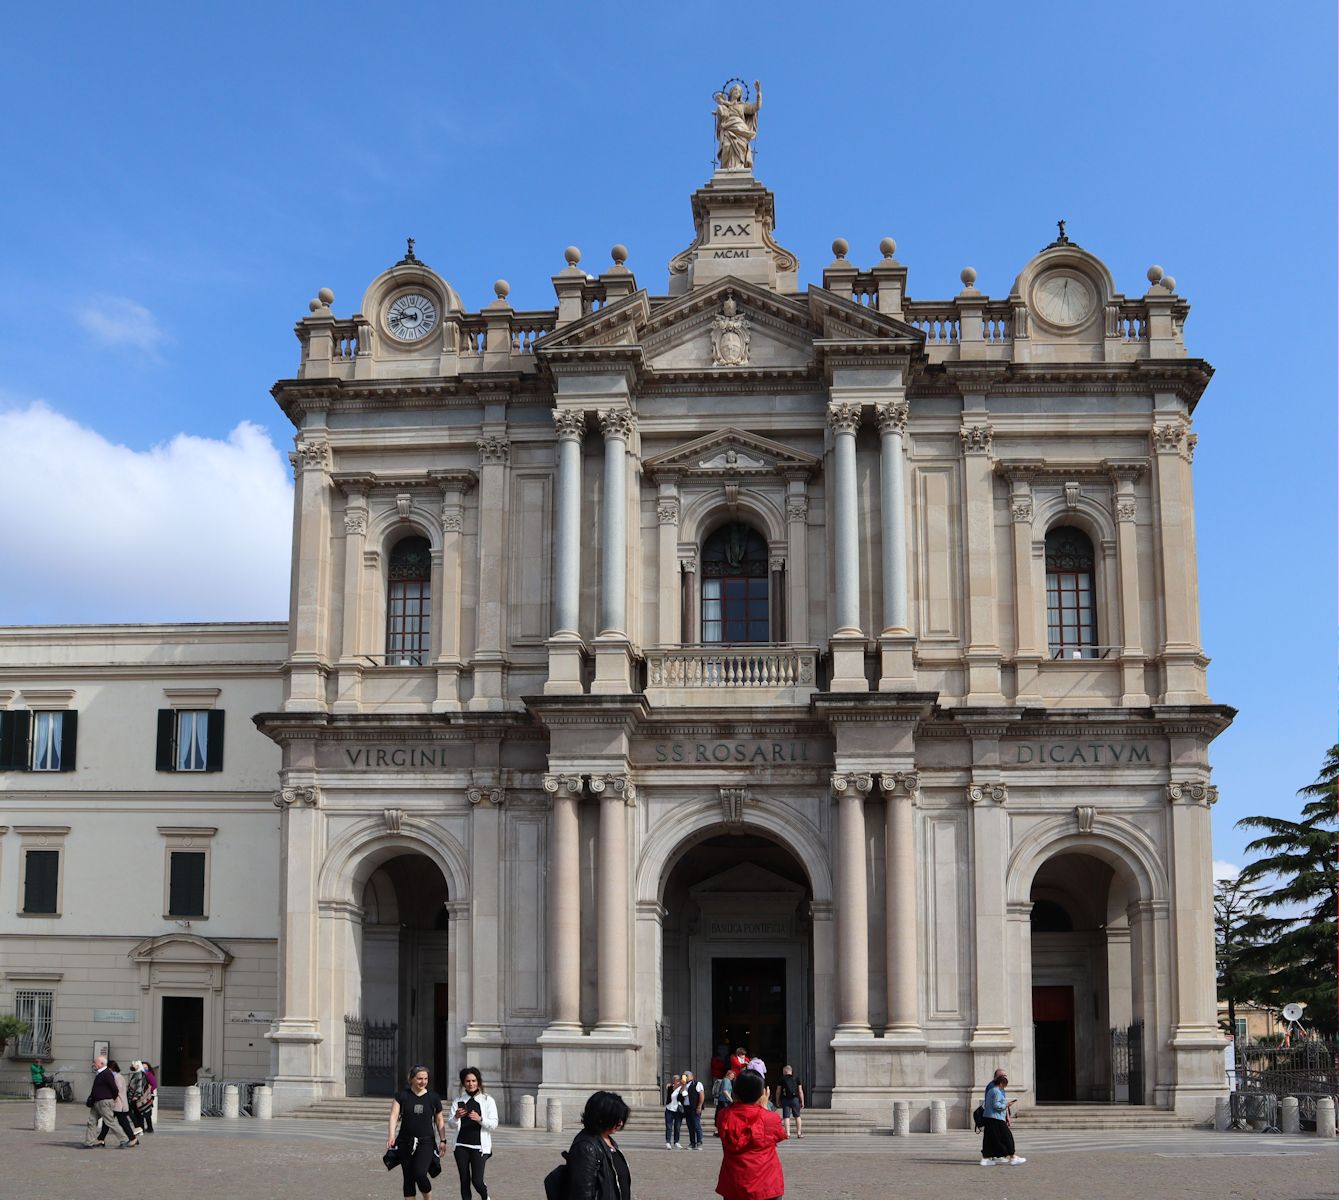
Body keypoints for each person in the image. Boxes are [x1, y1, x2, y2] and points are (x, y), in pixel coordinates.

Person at [716, 1069, 785, 1200]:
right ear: (762, 1093)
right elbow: (780, 1135)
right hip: (767, 1183)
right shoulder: (770, 1118)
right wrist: (765, 1108)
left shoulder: (723, 1116)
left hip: (734, 1183)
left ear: (735, 1092)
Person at [388, 1064, 448, 1198]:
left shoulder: (433, 1097)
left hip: (426, 1142)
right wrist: (391, 1135)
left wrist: (443, 1140)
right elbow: (393, 1116)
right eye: (419, 1078)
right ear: (411, 1079)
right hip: (404, 1142)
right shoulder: (402, 1096)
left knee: (420, 1174)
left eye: (425, 1079)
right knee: (408, 1177)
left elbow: (439, 1120)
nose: (423, 1082)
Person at [565, 1091, 632, 1200]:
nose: (620, 1123)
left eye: (621, 1119)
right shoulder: (586, 1147)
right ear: (601, 1117)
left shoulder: (609, 1141)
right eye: (615, 1118)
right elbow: (582, 1193)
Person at [447, 1066, 498, 1200]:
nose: (471, 1084)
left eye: (474, 1081)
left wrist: (480, 1119)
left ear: (478, 1082)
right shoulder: (458, 1101)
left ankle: (485, 1196)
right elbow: (451, 1124)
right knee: (464, 1180)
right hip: (461, 1146)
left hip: (479, 1147)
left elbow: (494, 1124)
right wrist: (456, 1116)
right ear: (463, 1083)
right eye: (468, 1081)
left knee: (477, 1181)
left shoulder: (488, 1100)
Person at [712, 80, 763, 171]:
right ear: (731, 92)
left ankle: (739, 167)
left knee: (741, 148)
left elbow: (756, 107)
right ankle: (726, 168)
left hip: (740, 128)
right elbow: (721, 114)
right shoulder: (725, 105)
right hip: (728, 128)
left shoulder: (743, 106)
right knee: (727, 146)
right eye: (735, 90)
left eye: (739, 91)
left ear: (740, 95)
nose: (737, 92)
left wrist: (758, 93)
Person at [980, 1072, 1024, 1166]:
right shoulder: (996, 1091)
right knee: (1007, 1136)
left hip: (988, 1117)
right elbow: (996, 1105)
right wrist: (1007, 1105)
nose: (1004, 1087)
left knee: (989, 1138)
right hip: (996, 1118)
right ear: (1001, 1084)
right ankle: (1012, 1156)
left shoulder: (991, 1090)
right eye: (1004, 1085)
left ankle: (985, 1158)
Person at [84, 1054, 128, 1148]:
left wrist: (111, 1098)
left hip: (104, 1102)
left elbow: (114, 1089)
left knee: (110, 1121)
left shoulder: (107, 1074)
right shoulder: (99, 1073)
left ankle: (124, 1139)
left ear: (101, 1063)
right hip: (96, 1101)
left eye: (95, 1062)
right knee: (91, 1121)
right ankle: (89, 1142)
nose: (93, 1064)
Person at [773, 1065, 805, 1138]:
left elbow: (778, 1091)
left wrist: (777, 1100)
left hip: (785, 1099)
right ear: (791, 1071)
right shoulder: (796, 1078)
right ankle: (799, 1133)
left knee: (786, 1117)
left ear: (785, 1071)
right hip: (795, 1099)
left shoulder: (782, 1079)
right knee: (797, 1116)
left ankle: (787, 1134)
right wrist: (802, 1101)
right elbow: (800, 1091)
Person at [681, 1070, 706, 1149]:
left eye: (686, 1076)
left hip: (695, 1107)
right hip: (687, 1107)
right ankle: (692, 1143)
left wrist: (699, 1106)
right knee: (690, 1126)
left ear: (691, 1076)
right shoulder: (685, 1085)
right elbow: (683, 1094)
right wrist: (683, 1085)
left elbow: (701, 1095)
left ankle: (699, 1142)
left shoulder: (697, 1084)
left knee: (696, 1125)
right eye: (684, 1076)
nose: (685, 1077)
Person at [131, 1061, 157, 1133]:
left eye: (146, 1067)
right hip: (141, 1096)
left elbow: (154, 1085)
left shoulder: (149, 1075)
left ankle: (149, 1128)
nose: (144, 1068)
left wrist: (147, 1092)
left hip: (148, 1096)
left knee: (147, 1111)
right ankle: (143, 1127)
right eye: (143, 1067)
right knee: (141, 1111)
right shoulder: (140, 1074)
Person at [663, 1074, 683, 1149]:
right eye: (676, 1079)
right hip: (669, 1109)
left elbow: (683, 1095)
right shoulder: (670, 1087)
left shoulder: (682, 1088)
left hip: (678, 1110)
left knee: (677, 1127)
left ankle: (676, 1141)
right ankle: (668, 1142)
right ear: (673, 1080)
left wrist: (682, 1085)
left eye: (678, 1079)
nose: (677, 1081)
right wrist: (679, 1084)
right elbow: (672, 1089)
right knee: (669, 1126)